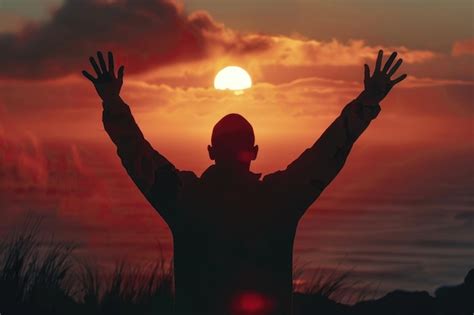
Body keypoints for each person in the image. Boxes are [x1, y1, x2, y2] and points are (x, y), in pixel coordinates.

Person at [82, 50, 407, 315]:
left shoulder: (185, 199)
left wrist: (112, 102)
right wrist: (367, 100)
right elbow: (327, 153)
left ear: (210, 152)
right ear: (254, 152)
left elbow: (137, 154)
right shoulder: (280, 198)